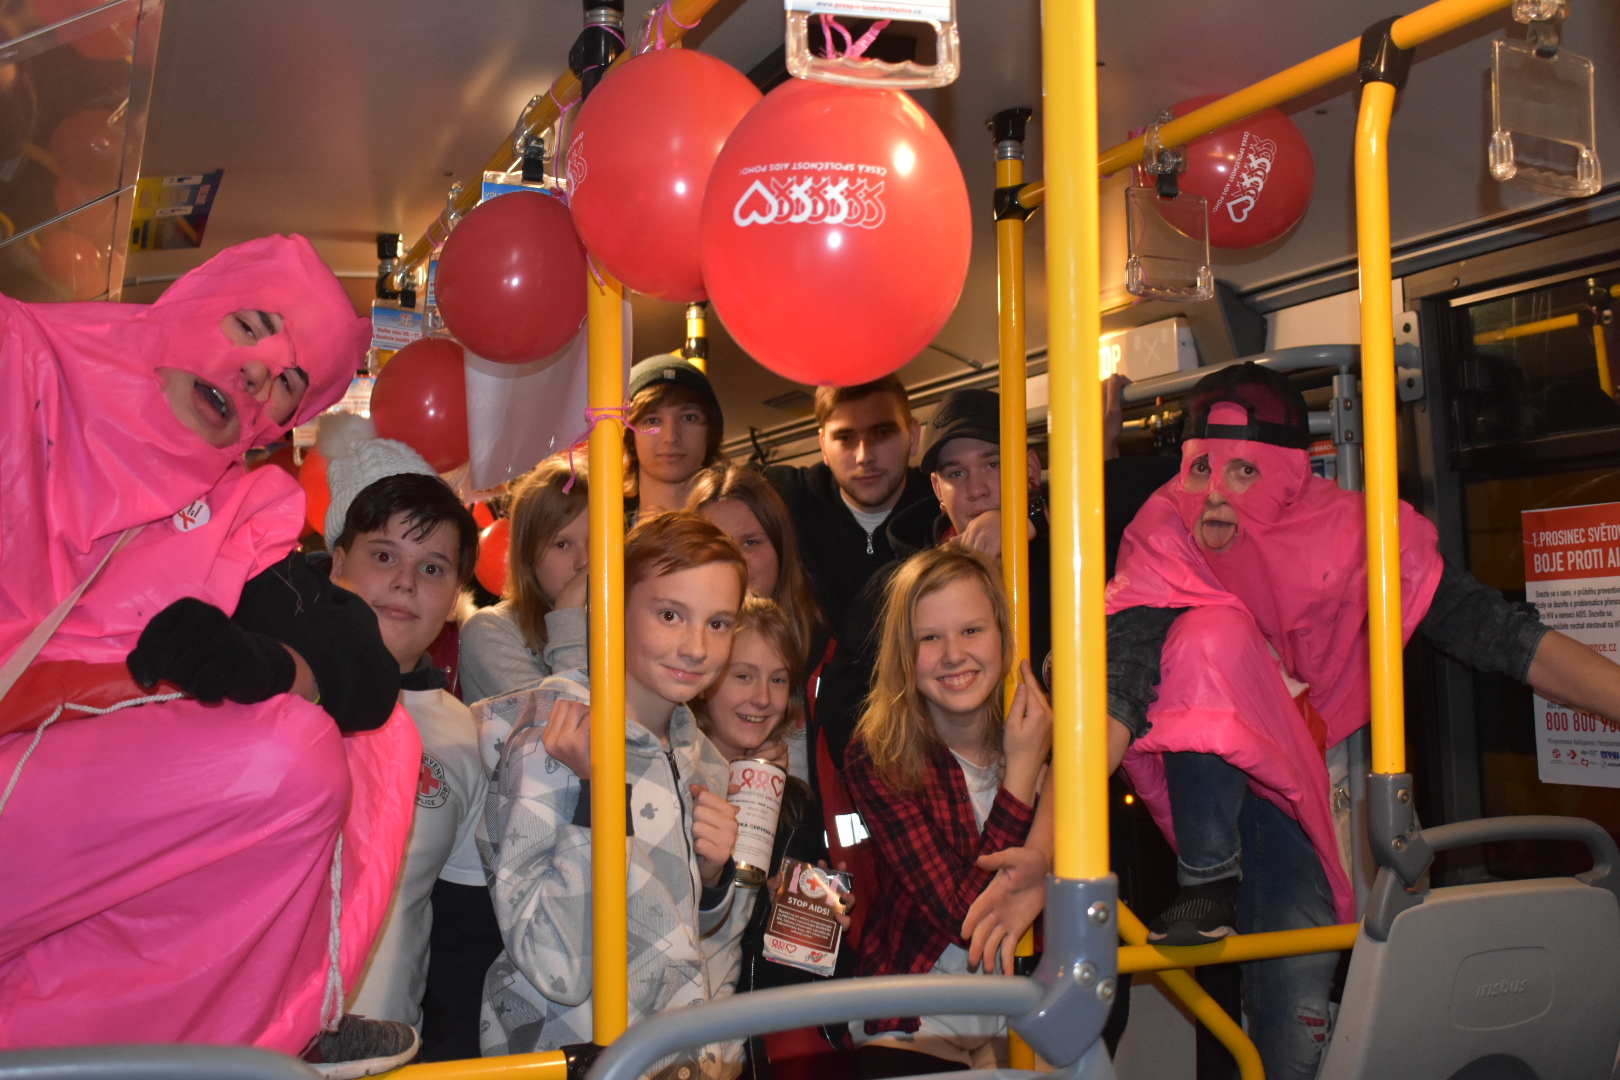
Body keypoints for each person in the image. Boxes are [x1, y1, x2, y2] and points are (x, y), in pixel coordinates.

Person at [1099, 362, 1620, 1078]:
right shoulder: (1164, 527)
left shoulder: (1355, 535)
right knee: (1205, 636)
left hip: (1319, 768)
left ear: (1290, 476)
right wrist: (1054, 830)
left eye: (1245, 471)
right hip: (1208, 778)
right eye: (1200, 471)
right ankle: (1207, 879)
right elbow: (1122, 678)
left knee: (1292, 1010)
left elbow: (1494, 633)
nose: (1215, 495)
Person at [0, 235, 420, 1071]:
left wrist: (267, 665)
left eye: (289, 384)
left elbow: (357, 664)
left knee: (346, 746)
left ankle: (118, 1045)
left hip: (54, 808)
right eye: (250, 327)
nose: (259, 374)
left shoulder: (239, 511)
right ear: (192, 303)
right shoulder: (20, 362)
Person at [479, 512, 751, 1077]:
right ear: (613, 607)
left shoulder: (700, 755)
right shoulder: (556, 741)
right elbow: (556, 966)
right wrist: (597, 803)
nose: (696, 647)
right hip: (577, 1059)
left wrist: (713, 879)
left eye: (719, 623)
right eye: (670, 615)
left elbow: (679, 939)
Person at [315, 412, 492, 1062]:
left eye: (433, 568)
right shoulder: (269, 700)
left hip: (390, 1061)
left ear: (454, 597)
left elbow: (461, 943)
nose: (405, 582)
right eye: (384, 555)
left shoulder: (463, 735)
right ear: (338, 562)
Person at [842, 546, 1052, 1079]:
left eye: (972, 631)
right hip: (914, 1014)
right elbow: (965, 915)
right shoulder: (878, 753)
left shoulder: (1046, 727)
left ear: (1003, 636)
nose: (954, 654)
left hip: (1019, 1008)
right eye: (929, 639)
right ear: (903, 654)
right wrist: (1022, 775)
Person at [694, 595, 847, 1080]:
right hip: (672, 1032)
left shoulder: (796, 805)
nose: (762, 698)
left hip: (752, 1051)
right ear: (704, 680)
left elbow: (803, 972)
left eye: (778, 680)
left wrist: (814, 912)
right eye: (743, 676)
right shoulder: (675, 784)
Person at [688, 463, 827, 781]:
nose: (735, 559)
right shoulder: (667, 663)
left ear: (781, 549)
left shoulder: (825, 655)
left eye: (751, 542)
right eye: (717, 544)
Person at [763, 377, 932, 636]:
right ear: (823, 446)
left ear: (914, 435)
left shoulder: (943, 507)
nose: (864, 456)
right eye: (845, 438)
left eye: (882, 433)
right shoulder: (788, 497)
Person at [459, 456, 590, 710]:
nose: (584, 561)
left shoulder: (628, 624)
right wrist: (568, 612)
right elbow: (565, 727)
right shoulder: (490, 632)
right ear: (528, 554)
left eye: (596, 540)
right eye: (562, 544)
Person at [625, 354, 727, 523]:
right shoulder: (598, 530)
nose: (671, 437)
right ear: (629, 435)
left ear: (710, 431)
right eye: (652, 420)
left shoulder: (742, 528)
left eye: (688, 418)